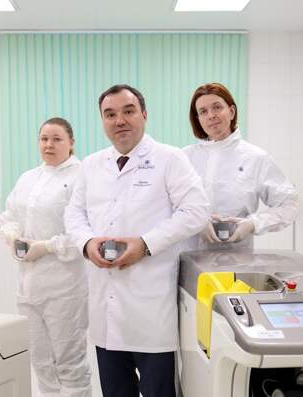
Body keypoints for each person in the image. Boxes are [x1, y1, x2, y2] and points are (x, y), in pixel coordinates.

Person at [64, 84, 209, 397]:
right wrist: (87, 243)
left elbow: (196, 211)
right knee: (115, 391)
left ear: (144, 114)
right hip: (105, 309)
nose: (119, 120)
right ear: (103, 121)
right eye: (110, 114)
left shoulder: (170, 158)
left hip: (151, 310)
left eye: (128, 111)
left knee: (159, 392)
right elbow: (73, 214)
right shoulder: (91, 165)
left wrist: (145, 244)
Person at [0, 117, 91, 397]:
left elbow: (85, 235)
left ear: (71, 142)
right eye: (44, 139)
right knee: (40, 363)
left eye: (56, 139)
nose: (49, 145)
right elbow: (9, 215)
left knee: (70, 365)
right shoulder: (29, 178)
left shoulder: (82, 177)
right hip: (29, 288)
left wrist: (47, 247)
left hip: (64, 289)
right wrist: (12, 235)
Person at [184, 82, 299, 250]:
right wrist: (196, 220)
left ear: (231, 111)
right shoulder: (185, 157)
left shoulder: (256, 158)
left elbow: (289, 204)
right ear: (198, 119)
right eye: (203, 111)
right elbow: (167, 205)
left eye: (217, 107)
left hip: (237, 257)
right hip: (186, 255)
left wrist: (253, 224)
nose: (211, 115)